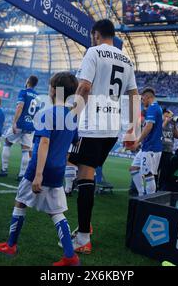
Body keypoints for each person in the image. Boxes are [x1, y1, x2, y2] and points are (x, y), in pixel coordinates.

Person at [0, 72, 80, 266]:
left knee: (20, 201)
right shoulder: (72, 117)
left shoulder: (46, 113)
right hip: (58, 170)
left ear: (54, 90)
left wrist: (38, 173)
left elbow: (44, 142)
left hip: (39, 169)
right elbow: (75, 142)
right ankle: (70, 256)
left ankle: (11, 245)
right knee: (56, 212)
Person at [68, 19, 139, 254]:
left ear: (96, 34)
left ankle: (84, 238)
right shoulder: (126, 59)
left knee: (84, 176)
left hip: (92, 124)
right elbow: (134, 94)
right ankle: (85, 225)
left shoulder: (94, 52)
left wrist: (71, 115)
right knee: (86, 173)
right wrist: (133, 129)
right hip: (112, 128)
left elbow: (84, 87)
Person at [0, 75, 39, 180]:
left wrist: (14, 122)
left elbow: (20, 106)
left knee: (7, 141)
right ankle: (22, 175)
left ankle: (4, 169)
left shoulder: (23, 92)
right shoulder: (38, 97)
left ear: (28, 81)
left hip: (20, 123)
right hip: (30, 125)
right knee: (26, 149)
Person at [128, 87, 162, 196]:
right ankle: (141, 194)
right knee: (133, 168)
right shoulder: (156, 108)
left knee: (148, 174)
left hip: (151, 148)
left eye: (143, 99)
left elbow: (149, 126)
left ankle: (149, 199)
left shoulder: (153, 108)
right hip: (147, 147)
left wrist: (138, 141)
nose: (142, 102)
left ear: (148, 97)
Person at [158, 109, 178, 190]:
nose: (168, 118)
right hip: (159, 150)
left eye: (169, 116)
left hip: (168, 151)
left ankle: (160, 189)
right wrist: (166, 121)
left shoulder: (171, 124)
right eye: (166, 116)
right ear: (162, 115)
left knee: (164, 173)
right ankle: (152, 189)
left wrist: (174, 125)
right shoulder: (159, 122)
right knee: (156, 171)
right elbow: (159, 131)